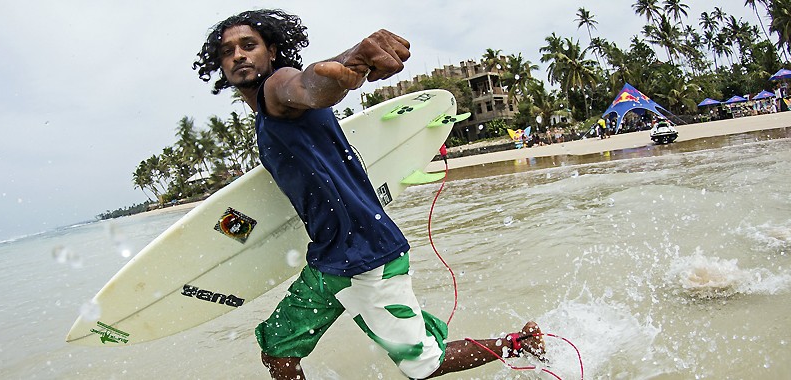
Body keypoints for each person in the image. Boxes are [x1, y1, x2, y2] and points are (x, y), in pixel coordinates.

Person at [193, 9, 546, 379]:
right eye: (227, 51)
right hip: (328, 260)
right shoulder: (269, 116)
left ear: (273, 51)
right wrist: (346, 64)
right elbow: (316, 84)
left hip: (367, 256)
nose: (238, 55)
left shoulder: (277, 90)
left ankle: (520, 344)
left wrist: (350, 65)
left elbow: (307, 85)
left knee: (423, 365)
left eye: (249, 45)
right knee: (278, 350)